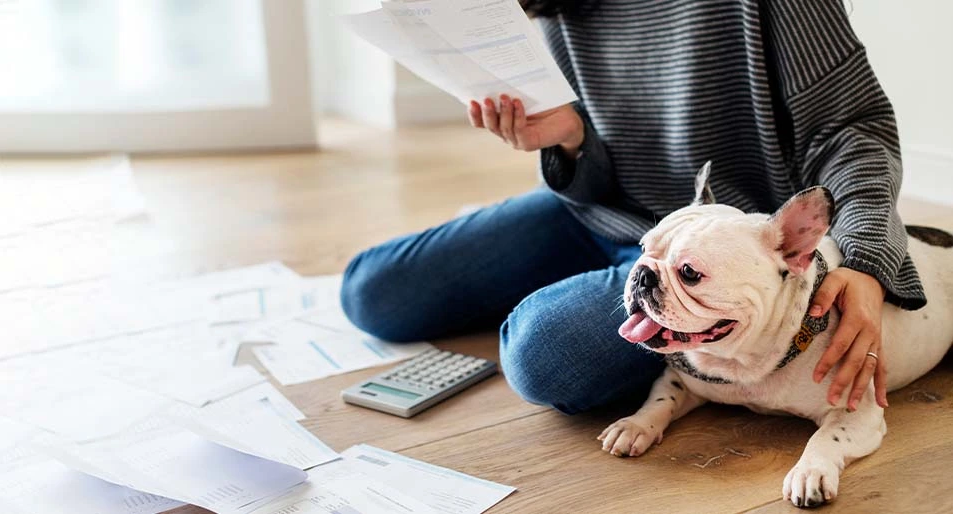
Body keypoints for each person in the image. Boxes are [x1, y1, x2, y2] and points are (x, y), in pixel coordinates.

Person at [340, 0, 926, 415]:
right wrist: (570, 140)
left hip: (723, 254)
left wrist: (868, 257)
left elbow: (854, 129)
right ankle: (597, 291)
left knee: (544, 356)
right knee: (371, 292)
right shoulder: (560, 7)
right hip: (605, 218)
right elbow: (593, 174)